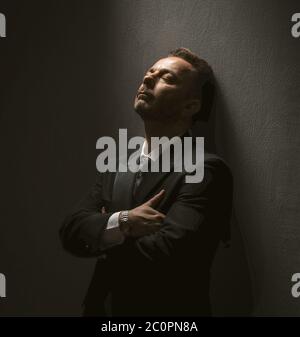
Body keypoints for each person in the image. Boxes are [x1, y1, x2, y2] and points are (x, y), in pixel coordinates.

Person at [59, 47, 233, 316]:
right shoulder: (117, 165)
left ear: (191, 106)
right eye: (149, 72)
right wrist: (125, 221)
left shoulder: (207, 170)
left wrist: (104, 232)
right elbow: (71, 230)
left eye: (167, 78)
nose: (148, 79)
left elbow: (170, 255)